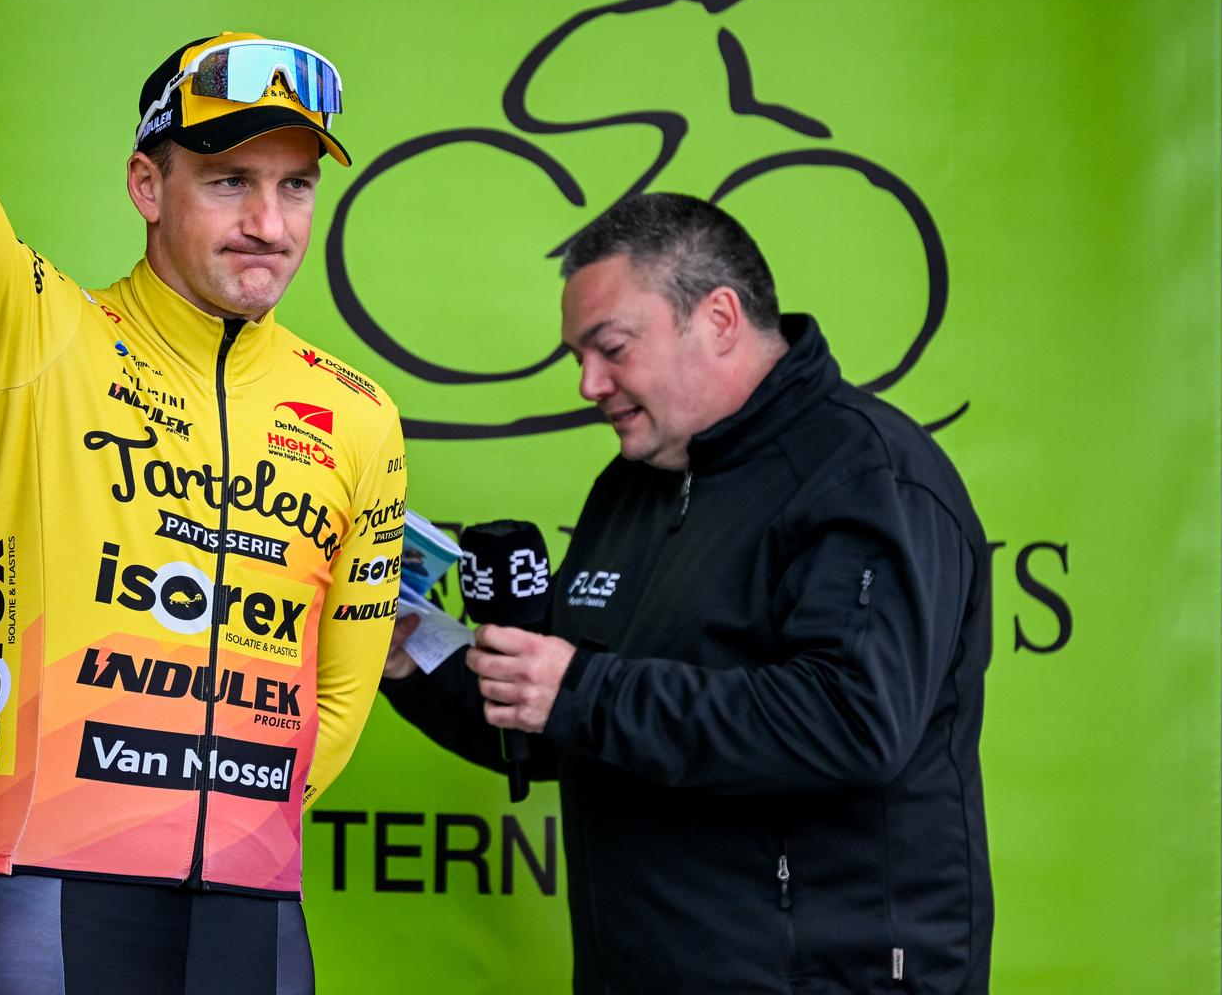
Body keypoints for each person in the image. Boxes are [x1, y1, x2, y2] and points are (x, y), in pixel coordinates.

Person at [0, 0, 406, 995]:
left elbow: (343, 681)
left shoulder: (361, 414)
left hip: (253, 902)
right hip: (48, 886)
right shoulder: (35, 334)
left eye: (295, 185)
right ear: (146, 187)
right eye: (228, 179)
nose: (269, 222)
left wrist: (229, 804)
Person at [384, 193, 993, 994]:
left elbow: (853, 723)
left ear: (718, 317)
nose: (587, 383)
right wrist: (412, 654)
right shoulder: (630, 485)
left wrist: (580, 689)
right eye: (577, 355)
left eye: (611, 348)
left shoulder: (868, 477)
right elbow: (561, 725)